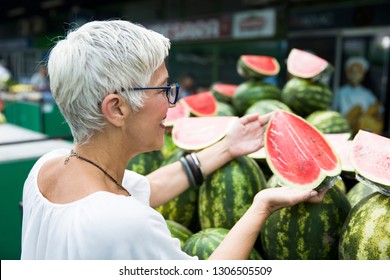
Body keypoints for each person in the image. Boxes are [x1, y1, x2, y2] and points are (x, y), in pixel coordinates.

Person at [21, 20, 328, 260]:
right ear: (116, 108)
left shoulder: (47, 168)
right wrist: (260, 207)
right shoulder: (125, 223)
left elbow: (149, 188)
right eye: (162, 88)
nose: (172, 103)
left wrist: (226, 147)